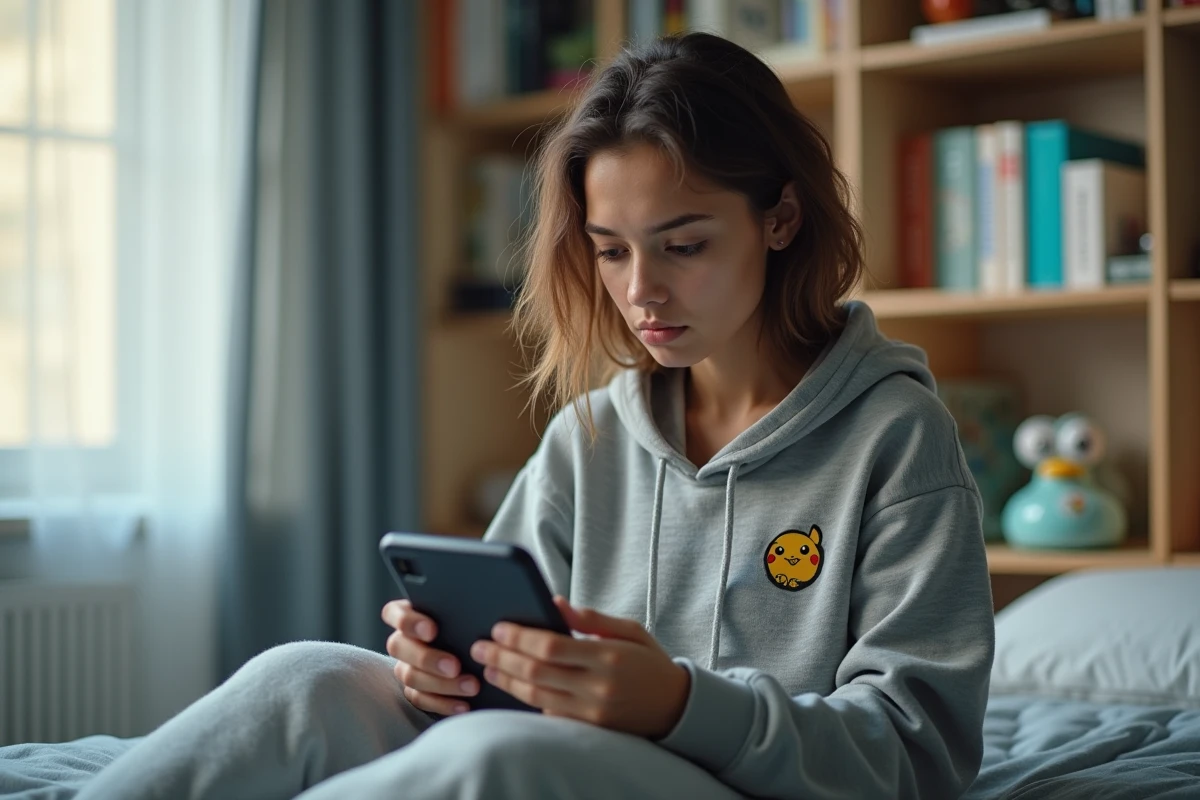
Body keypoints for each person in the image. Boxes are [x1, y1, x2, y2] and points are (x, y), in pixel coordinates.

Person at [77, 32, 994, 800]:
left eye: (685, 245)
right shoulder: (590, 438)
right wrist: (443, 672)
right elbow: (501, 671)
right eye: (610, 252)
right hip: (571, 755)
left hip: (741, 782)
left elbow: (918, 756)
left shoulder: (895, 439)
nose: (643, 291)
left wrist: (679, 703)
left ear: (781, 220)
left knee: (495, 759)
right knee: (305, 675)